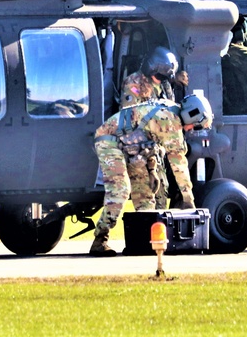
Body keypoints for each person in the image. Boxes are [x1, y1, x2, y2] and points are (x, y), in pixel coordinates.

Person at [89, 93, 214, 257]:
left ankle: (144, 242)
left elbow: (149, 141)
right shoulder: (170, 120)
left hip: (130, 146)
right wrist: (189, 202)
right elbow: (179, 165)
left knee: (145, 194)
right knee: (120, 190)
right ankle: (100, 239)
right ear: (191, 115)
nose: (192, 130)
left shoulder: (170, 111)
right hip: (109, 142)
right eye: (196, 126)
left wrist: (152, 170)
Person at [119, 46, 190, 208]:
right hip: (138, 153)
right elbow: (129, 120)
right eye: (160, 76)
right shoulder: (134, 84)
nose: (161, 79)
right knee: (146, 205)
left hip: (156, 153)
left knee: (160, 201)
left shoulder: (164, 84)